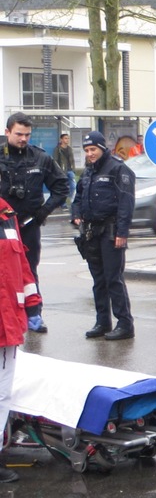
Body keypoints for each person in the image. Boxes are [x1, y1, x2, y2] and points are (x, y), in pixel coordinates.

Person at [2, 112, 69, 333]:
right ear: (7, 132)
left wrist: (44, 212)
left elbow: (61, 187)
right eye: (19, 134)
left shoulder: (41, 158)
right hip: (3, 227)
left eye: (27, 135)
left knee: (29, 272)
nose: (23, 139)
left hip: (29, 225)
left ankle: (34, 315)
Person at [71, 131, 136, 341]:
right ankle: (103, 322)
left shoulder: (118, 169)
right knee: (98, 280)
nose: (90, 154)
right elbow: (78, 197)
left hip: (110, 232)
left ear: (102, 148)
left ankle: (125, 324)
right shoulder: (88, 172)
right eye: (87, 150)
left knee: (113, 279)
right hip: (91, 233)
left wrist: (122, 232)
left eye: (93, 150)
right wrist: (76, 215)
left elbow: (126, 203)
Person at [0, 195, 43, 484]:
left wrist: (33, 304)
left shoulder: (7, 214)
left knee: (2, 394)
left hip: (7, 324)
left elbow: (20, 262)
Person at [53, 132, 77, 203]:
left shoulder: (69, 149)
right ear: (61, 139)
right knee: (63, 187)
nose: (67, 140)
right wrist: (58, 171)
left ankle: (70, 199)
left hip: (70, 170)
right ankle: (63, 203)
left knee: (73, 186)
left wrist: (73, 169)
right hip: (62, 171)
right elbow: (55, 160)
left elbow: (72, 160)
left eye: (68, 138)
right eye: (66, 138)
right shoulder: (57, 149)